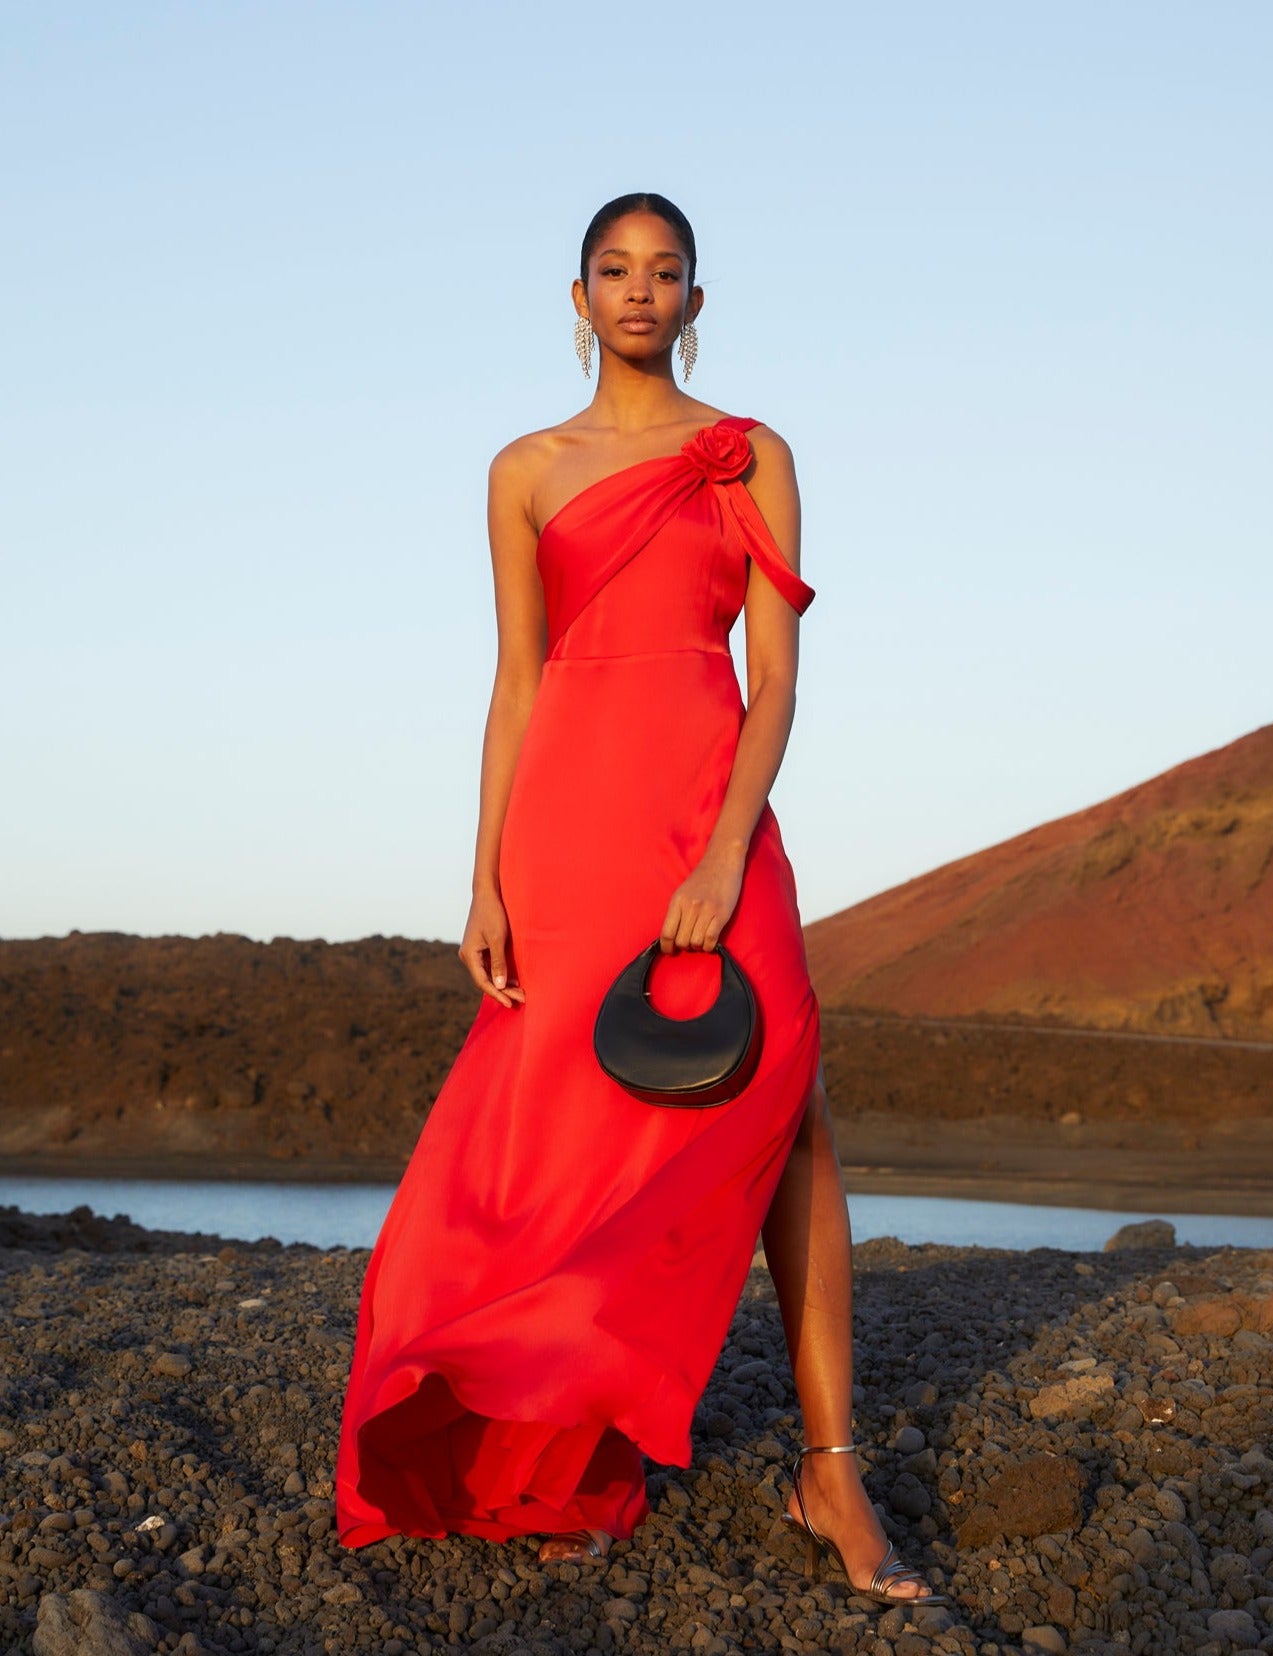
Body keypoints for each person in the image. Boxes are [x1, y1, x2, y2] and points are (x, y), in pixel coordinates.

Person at [335, 193, 946, 1609]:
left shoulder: (748, 454)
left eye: (665, 273)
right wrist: (484, 872)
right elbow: (516, 679)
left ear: (695, 301)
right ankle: (564, 1457)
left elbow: (781, 676)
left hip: (707, 802)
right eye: (615, 270)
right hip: (570, 827)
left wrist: (729, 851)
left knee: (782, 1094)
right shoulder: (524, 470)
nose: (639, 292)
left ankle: (831, 1464)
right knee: (563, 1137)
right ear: (576, 293)